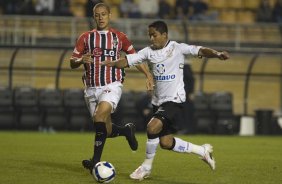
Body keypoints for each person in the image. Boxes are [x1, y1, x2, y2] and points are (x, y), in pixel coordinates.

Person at [101, 20, 229, 180]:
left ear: (164, 35)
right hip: (158, 102)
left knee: (151, 127)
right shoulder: (148, 52)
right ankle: (202, 151)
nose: (151, 39)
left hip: (175, 100)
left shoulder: (177, 48)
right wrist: (111, 64)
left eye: (154, 35)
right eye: (149, 35)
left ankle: (146, 168)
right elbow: (127, 61)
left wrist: (217, 54)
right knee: (166, 142)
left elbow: (200, 50)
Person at [69, 3, 154, 174]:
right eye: (97, 15)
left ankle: (95, 161)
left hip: (111, 84)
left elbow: (134, 57)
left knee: (100, 115)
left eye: (103, 14)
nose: (100, 18)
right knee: (104, 129)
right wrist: (80, 60)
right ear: (94, 17)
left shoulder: (119, 37)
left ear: (109, 15)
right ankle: (126, 130)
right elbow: (72, 62)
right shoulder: (85, 37)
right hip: (91, 88)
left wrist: (148, 75)